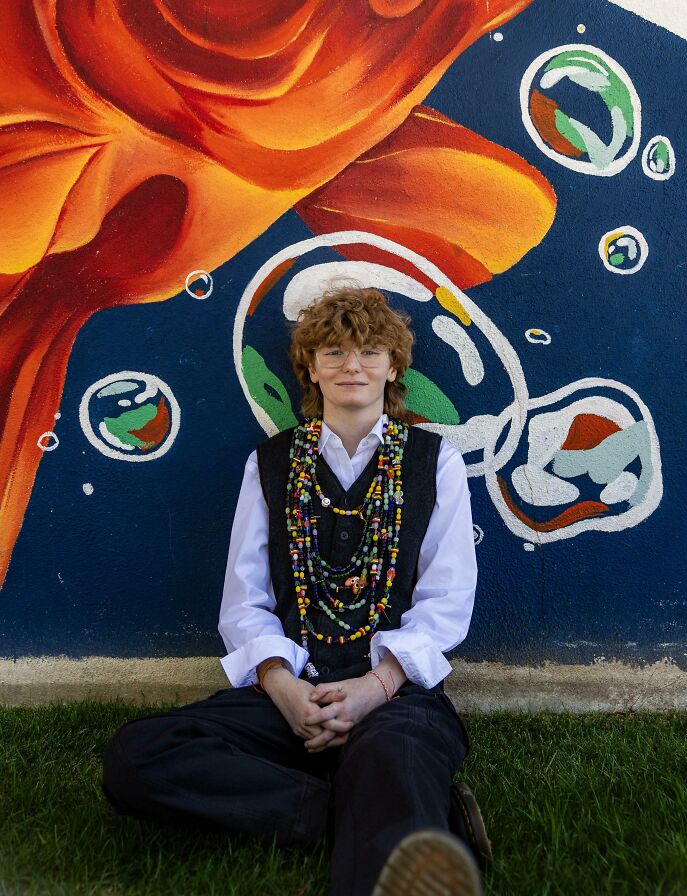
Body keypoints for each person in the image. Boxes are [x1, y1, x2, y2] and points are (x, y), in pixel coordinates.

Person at [102, 285, 486, 895]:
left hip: (394, 692)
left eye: (368, 351)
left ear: (393, 366)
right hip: (293, 689)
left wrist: (374, 687)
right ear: (311, 367)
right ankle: (349, 810)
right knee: (137, 755)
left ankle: (359, 799)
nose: (351, 365)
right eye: (332, 352)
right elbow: (245, 599)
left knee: (391, 756)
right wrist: (282, 688)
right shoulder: (271, 463)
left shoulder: (433, 463)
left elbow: (446, 603)